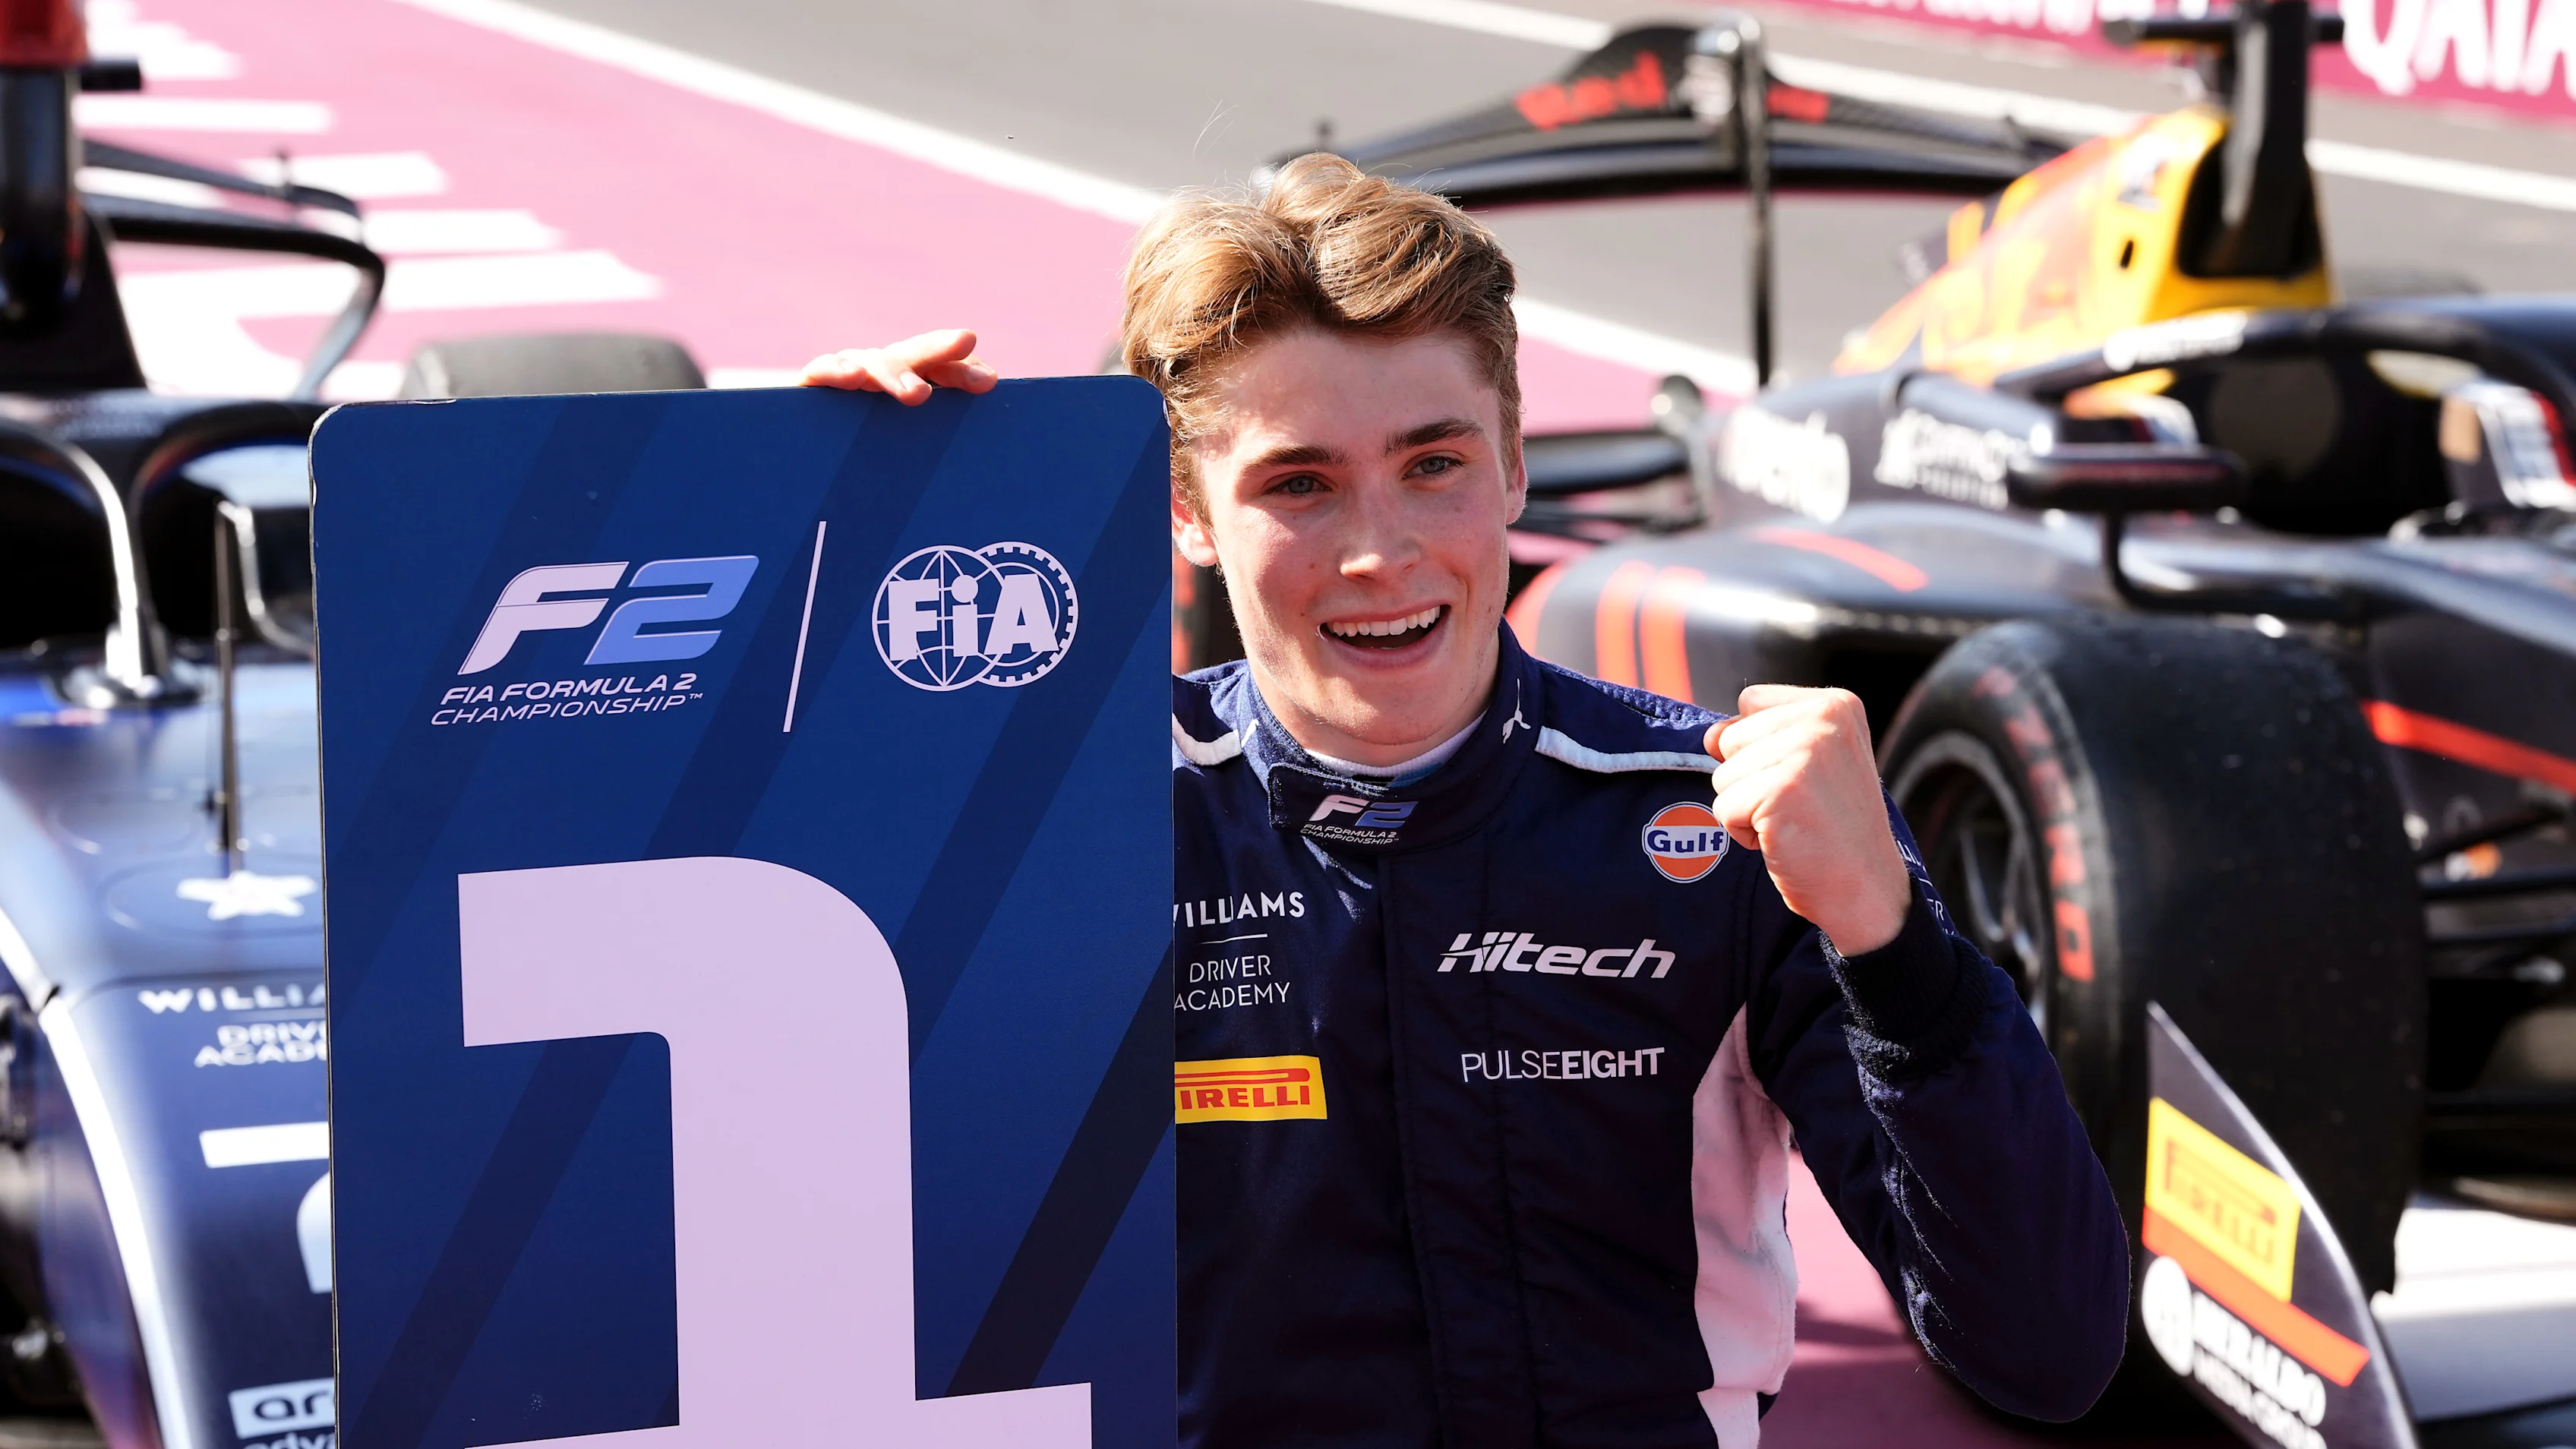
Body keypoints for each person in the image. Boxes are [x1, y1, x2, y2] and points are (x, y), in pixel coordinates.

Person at [803, 155, 2129, 1449]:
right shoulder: (1078, 817)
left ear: (1514, 469)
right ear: (1190, 512)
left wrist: (1897, 950)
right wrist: (811, 533)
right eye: (1300, 483)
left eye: (1433, 463)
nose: (1381, 551)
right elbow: (812, 1219)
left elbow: (2045, 1354)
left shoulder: (1727, 827)